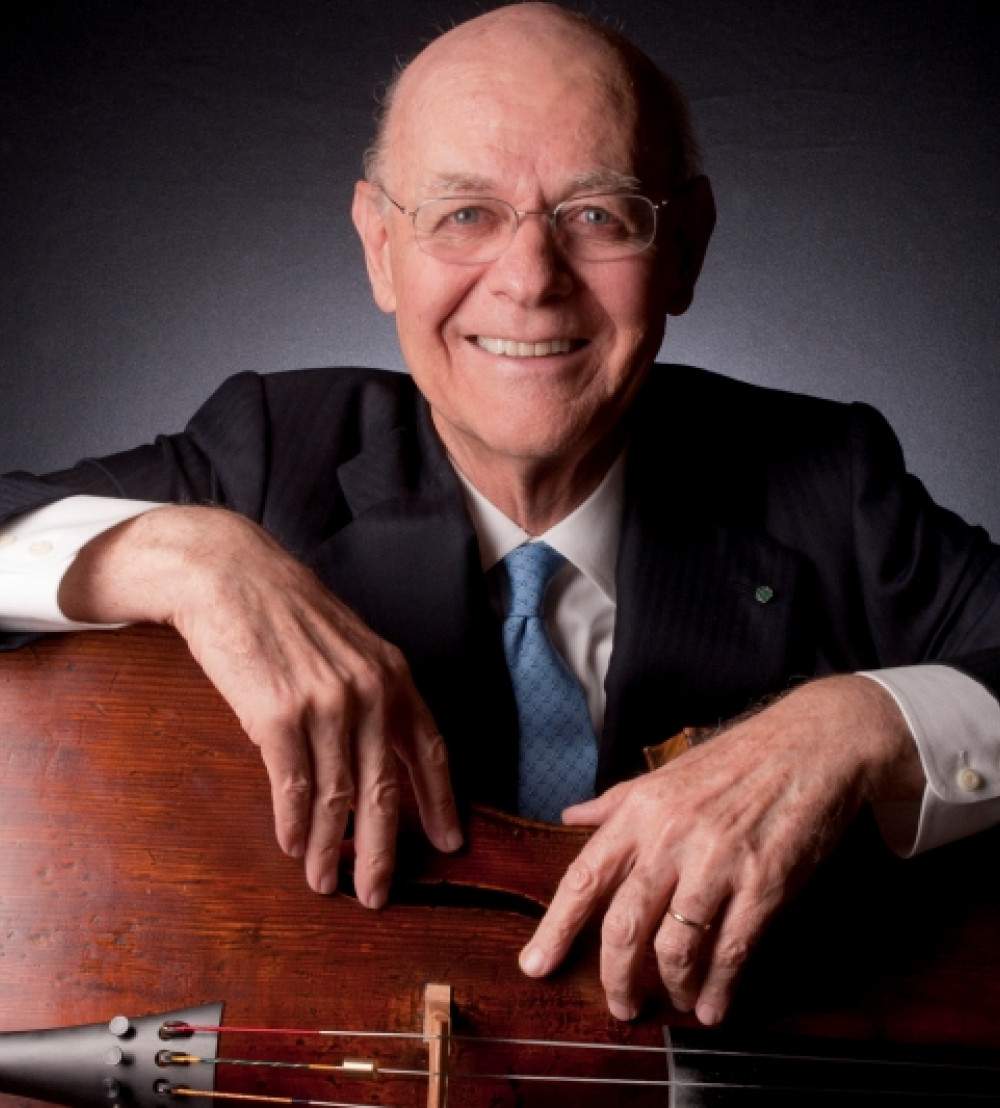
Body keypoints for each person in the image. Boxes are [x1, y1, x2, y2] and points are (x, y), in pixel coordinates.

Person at [2, 2, 1000, 1030]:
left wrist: (863, 724)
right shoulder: (264, 452)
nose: (530, 281)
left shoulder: (829, 481)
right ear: (380, 247)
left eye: (597, 215)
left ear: (686, 246)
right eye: (464, 214)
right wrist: (184, 552)